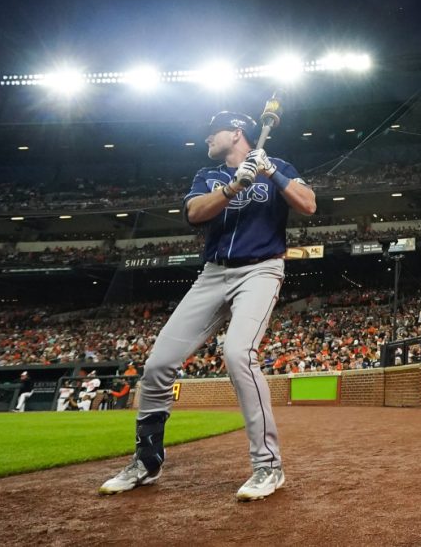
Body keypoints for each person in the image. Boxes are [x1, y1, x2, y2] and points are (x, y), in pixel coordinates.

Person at [99, 111, 316, 501]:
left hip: (261, 270)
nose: (206, 140)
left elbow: (309, 204)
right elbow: (194, 214)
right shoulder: (208, 175)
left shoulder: (279, 165)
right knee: (158, 363)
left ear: (236, 133)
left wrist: (271, 174)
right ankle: (147, 461)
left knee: (238, 354)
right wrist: (234, 187)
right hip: (213, 274)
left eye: (211, 133)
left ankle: (268, 466)